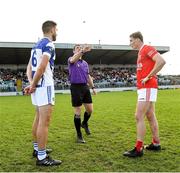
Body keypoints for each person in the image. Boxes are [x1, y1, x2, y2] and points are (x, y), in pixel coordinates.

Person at [24, 20, 62, 166]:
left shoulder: (36, 45)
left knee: (38, 118)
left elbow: (29, 68)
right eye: (56, 30)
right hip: (44, 85)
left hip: (37, 86)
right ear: (52, 29)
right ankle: (41, 157)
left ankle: (37, 149)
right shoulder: (49, 44)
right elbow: (41, 67)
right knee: (44, 122)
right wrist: (33, 84)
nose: (57, 32)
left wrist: (31, 83)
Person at [123, 31, 166, 157]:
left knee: (138, 116)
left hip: (147, 87)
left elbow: (161, 61)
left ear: (137, 39)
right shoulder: (141, 52)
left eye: (131, 40)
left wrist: (149, 76)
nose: (130, 43)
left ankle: (138, 149)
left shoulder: (146, 48)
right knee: (150, 115)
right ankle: (156, 144)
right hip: (145, 88)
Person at [68, 44, 97, 143]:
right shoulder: (71, 59)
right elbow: (72, 60)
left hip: (85, 87)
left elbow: (88, 76)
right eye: (77, 48)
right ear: (73, 51)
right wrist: (83, 51)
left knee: (90, 110)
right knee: (78, 112)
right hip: (75, 87)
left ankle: (84, 123)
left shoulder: (85, 63)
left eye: (80, 48)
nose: (79, 49)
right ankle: (79, 135)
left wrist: (93, 87)